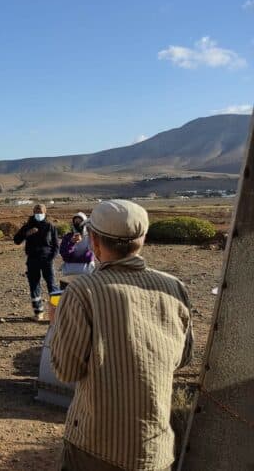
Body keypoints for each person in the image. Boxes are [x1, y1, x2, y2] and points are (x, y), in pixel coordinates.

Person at [51, 200, 193, 471]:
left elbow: (66, 370)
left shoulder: (83, 291)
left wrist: (60, 327)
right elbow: (183, 358)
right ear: (143, 239)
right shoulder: (175, 288)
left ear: (94, 241)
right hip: (155, 448)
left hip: (94, 446)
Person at [13, 203, 59, 320]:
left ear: (45, 212)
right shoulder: (28, 226)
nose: (38, 214)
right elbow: (16, 240)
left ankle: (57, 312)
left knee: (52, 285)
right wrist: (26, 234)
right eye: (36, 211)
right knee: (34, 285)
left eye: (41, 211)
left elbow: (56, 245)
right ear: (33, 213)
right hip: (32, 260)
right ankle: (38, 312)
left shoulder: (50, 226)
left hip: (47, 260)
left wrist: (51, 258)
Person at [59, 212, 95, 277]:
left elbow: (89, 257)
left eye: (80, 222)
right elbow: (64, 255)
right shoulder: (68, 237)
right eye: (76, 222)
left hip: (86, 273)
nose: (78, 224)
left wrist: (71, 258)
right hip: (69, 273)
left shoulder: (90, 237)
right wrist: (71, 243)